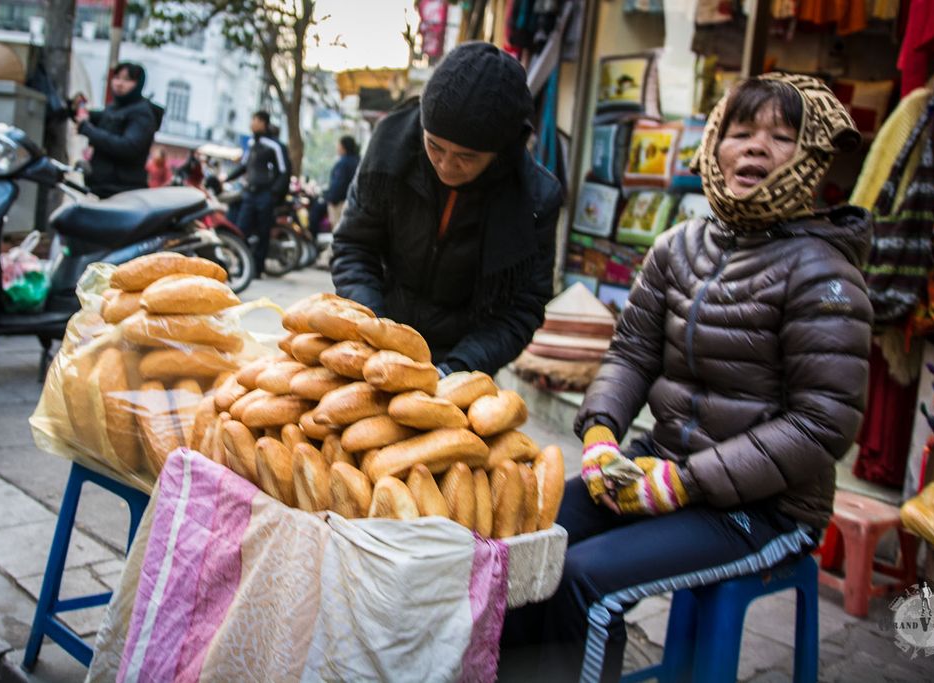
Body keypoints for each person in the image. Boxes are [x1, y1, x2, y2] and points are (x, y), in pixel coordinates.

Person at [499, 74, 872, 682]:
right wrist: (599, 434)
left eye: (782, 136)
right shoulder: (678, 247)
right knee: (523, 542)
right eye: (741, 131)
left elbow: (822, 423)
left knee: (581, 578)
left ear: (811, 157)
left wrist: (688, 482)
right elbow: (630, 355)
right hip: (661, 465)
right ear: (714, 145)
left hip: (765, 508)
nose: (756, 148)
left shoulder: (825, 273)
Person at [330, 41, 563, 376]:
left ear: (502, 151)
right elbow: (353, 246)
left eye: (467, 157)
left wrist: (455, 370)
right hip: (376, 338)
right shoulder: (390, 147)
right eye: (434, 146)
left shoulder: (536, 199)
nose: (446, 165)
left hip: (463, 361)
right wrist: (374, 329)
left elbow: (520, 310)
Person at [74, 62, 162, 198]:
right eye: (117, 78)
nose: (120, 83)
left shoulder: (142, 114)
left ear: (138, 83)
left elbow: (129, 147)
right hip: (100, 187)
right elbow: (94, 117)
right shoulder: (112, 108)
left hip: (121, 191)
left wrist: (88, 130)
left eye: (127, 80)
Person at [225, 111, 290, 277]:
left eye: (254, 120)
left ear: (263, 122)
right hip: (249, 195)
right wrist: (225, 178)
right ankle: (242, 265)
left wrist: (274, 195)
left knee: (263, 232)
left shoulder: (275, 146)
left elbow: (284, 172)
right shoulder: (253, 143)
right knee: (241, 230)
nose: (252, 123)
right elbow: (244, 165)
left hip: (265, 197)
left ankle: (258, 268)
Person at [309, 135, 361, 234]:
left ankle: (313, 237)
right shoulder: (358, 160)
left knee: (338, 232)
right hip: (354, 203)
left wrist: (331, 198)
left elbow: (338, 185)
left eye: (339, 145)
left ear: (343, 147)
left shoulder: (343, 163)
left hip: (340, 204)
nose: (337, 148)